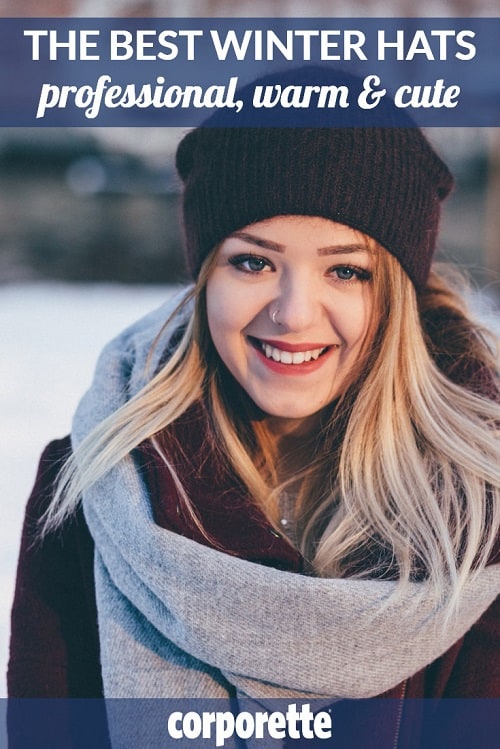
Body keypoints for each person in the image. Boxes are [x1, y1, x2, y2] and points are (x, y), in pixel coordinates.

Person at [8, 121, 500, 747]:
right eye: (253, 262)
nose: (294, 312)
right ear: (205, 276)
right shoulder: (92, 488)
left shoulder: (478, 515)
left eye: (346, 271)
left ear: (396, 295)